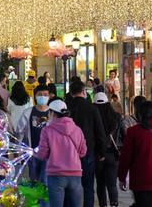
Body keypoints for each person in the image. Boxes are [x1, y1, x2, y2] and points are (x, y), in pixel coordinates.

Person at [36, 100, 87, 207]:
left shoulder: (47, 130)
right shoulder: (77, 130)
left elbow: (42, 155)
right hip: (75, 174)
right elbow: (83, 152)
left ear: (52, 113)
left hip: (55, 175)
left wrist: (34, 153)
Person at [66, 79, 107, 207]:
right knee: (88, 185)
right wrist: (102, 151)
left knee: (70, 185)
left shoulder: (67, 108)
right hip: (89, 150)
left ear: (71, 93)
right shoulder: (92, 108)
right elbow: (100, 131)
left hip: (69, 152)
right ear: (83, 92)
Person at [16, 84, 51, 187]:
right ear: (35, 96)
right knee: (34, 179)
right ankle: (35, 201)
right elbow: (20, 131)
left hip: (48, 153)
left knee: (45, 181)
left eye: (45, 94)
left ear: (49, 97)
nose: (43, 97)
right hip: (33, 152)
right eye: (40, 94)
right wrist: (19, 150)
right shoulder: (28, 112)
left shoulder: (52, 113)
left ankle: (44, 202)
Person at [93, 93, 122, 207]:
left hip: (98, 154)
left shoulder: (93, 118)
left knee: (100, 183)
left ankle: (103, 204)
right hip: (112, 154)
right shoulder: (117, 117)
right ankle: (114, 203)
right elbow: (122, 136)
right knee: (112, 183)